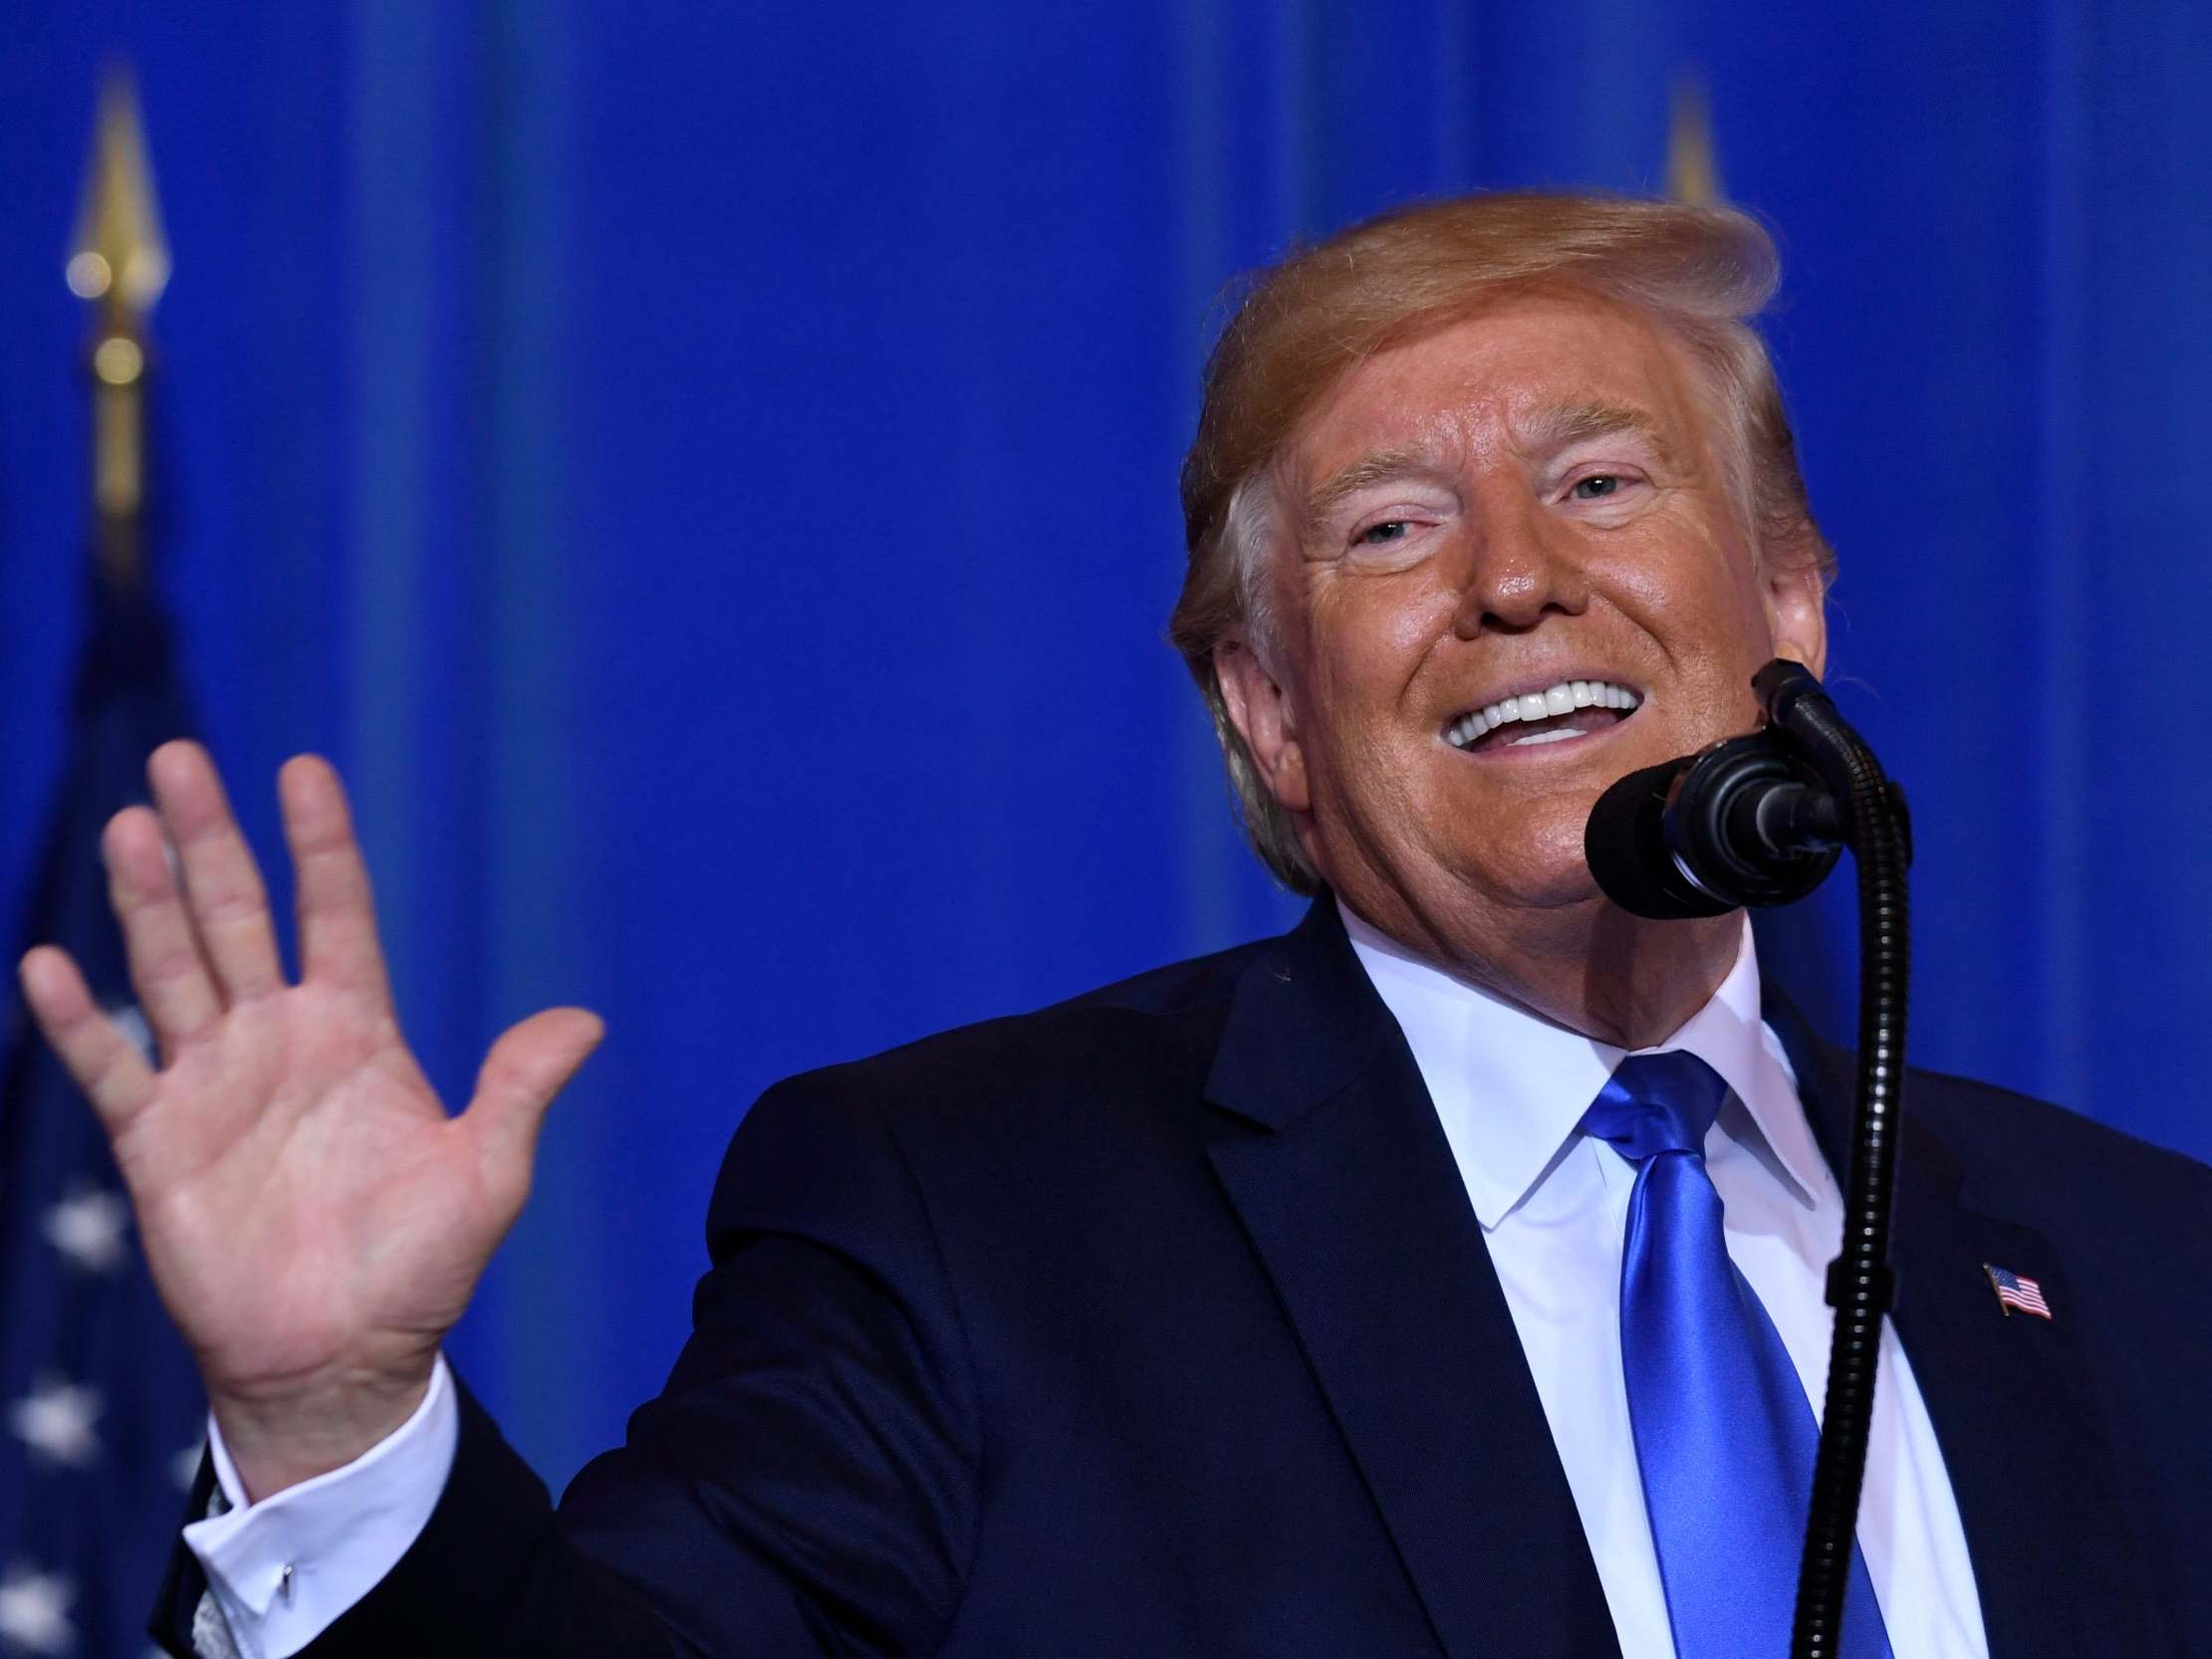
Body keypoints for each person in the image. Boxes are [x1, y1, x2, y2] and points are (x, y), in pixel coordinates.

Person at [22, 192, 2211, 1659]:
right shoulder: (972, 1219)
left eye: (1604, 479)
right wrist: (331, 1424)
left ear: (1790, 606)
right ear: (1266, 714)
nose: (1516, 573)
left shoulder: (2141, 1270)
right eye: (1388, 524)